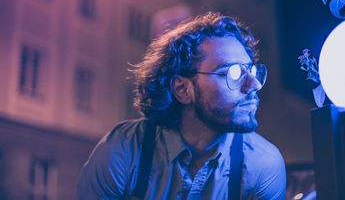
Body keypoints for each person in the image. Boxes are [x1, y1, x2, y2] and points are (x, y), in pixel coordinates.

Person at [77, 12, 286, 200]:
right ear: (183, 90)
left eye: (251, 70)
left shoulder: (263, 164)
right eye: (233, 73)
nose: (254, 84)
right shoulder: (123, 150)